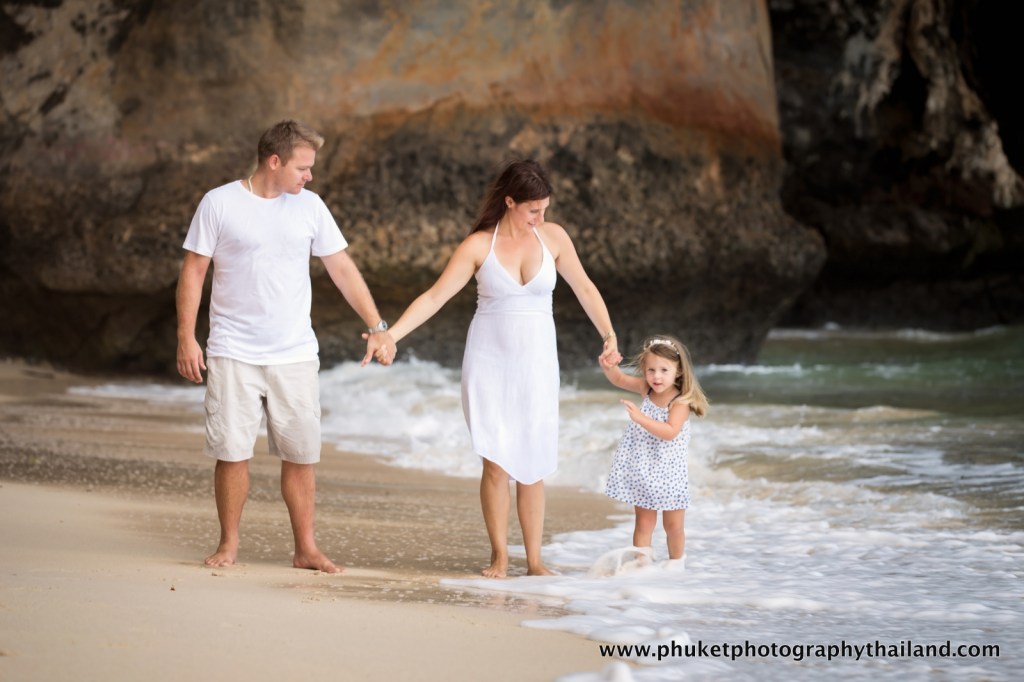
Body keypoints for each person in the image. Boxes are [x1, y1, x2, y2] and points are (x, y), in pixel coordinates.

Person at [376, 159, 620, 577]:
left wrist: (609, 334)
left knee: (534, 463)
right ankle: (500, 557)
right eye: (532, 210)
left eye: (544, 209)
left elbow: (584, 286)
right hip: (488, 364)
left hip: (537, 366)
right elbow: (435, 297)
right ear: (509, 202)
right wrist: (391, 335)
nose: (540, 217)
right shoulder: (478, 246)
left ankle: (535, 561)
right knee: (496, 462)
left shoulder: (554, 237)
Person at [176, 120, 396, 574]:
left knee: (301, 454)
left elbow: (341, 268)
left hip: (294, 353)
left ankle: (306, 549)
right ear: (274, 161)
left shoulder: (310, 207)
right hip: (232, 349)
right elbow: (194, 270)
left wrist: (377, 326)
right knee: (232, 451)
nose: (309, 176)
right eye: (302, 167)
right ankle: (228, 544)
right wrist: (186, 336)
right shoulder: (219, 203)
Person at [598, 334, 709, 562]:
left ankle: (676, 565)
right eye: (651, 370)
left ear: (678, 371)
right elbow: (619, 378)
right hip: (645, 470)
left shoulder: (680, 401)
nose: (656, 376)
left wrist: (640, 418)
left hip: (670, 474)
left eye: (664, 370)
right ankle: (642, 566)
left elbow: (670, 432)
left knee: (673, 526)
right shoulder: (646, 388)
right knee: (644, 522)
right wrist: (608, 367)